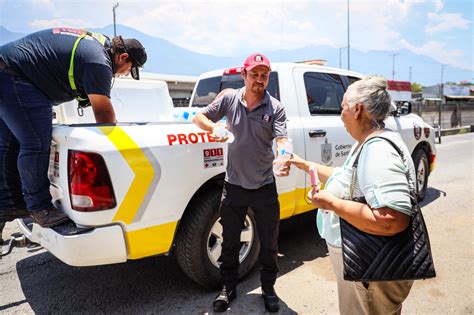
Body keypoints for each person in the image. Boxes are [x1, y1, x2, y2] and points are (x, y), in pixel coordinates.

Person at [290, 75, 415, 314]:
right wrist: (304, 164)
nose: (341, 114)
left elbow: (391, 220)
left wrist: (332, 204)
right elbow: (346, 176)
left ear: (358, 109)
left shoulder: (378, 150)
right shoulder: (368, 142)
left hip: (369, 265)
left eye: (343, 107)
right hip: (365, 261)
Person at [0, 28, 147, 230]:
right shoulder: (99, 61)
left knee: (9, 144)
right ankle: (40, 208)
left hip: (7, 69)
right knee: (35, 144)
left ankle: (8, 205)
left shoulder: (95, 45)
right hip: (16, 76)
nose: (126, 74)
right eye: (130, 69)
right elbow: (103, 114)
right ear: (122, 57)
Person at [193, 53, 290, 313]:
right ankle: (228, 287)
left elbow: (282, 140)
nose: (259, 79)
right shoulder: (229, 99)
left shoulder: (276, 107)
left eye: (264, 75)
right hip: (234, 186)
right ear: (244, 75)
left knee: (269, 243)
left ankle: (268, 289)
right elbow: (199, 117)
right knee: (230, 241)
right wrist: (213, 129)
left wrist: (283, 156)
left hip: (264, 187)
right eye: (254, 74)